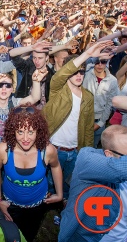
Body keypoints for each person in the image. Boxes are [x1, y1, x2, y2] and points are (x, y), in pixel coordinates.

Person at [43, 40, 112, 200]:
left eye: (82, 72)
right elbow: (62, 74)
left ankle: (63, 208)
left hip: (74, 151)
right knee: (50, 182)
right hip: (54, 148)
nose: (79, 75)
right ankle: (45, 202)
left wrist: (85, 152)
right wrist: (87, 54)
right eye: (75, 72)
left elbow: (88, 128)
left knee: (69, 183)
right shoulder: (57, 88)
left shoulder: (88, 96)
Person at [0, 107, 63, 242]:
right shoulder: (3, 150)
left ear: (38, 131)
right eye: (20, 131)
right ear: (13, 130)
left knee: (29, 233)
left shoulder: (47, 150)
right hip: (11, 205)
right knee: (11, 234)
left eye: (31, 132)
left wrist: (60, 194)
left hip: (38, 205)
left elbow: (56, 166)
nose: (25, 138)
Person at [0, 69, 45, 190]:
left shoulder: (15, 103)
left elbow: (34, 98)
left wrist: (36, 82)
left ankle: (5, 193)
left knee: (7, 178)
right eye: (0, 85)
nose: (4, 89)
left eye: (8, 85)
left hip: (9, 153)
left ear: (13, 89)